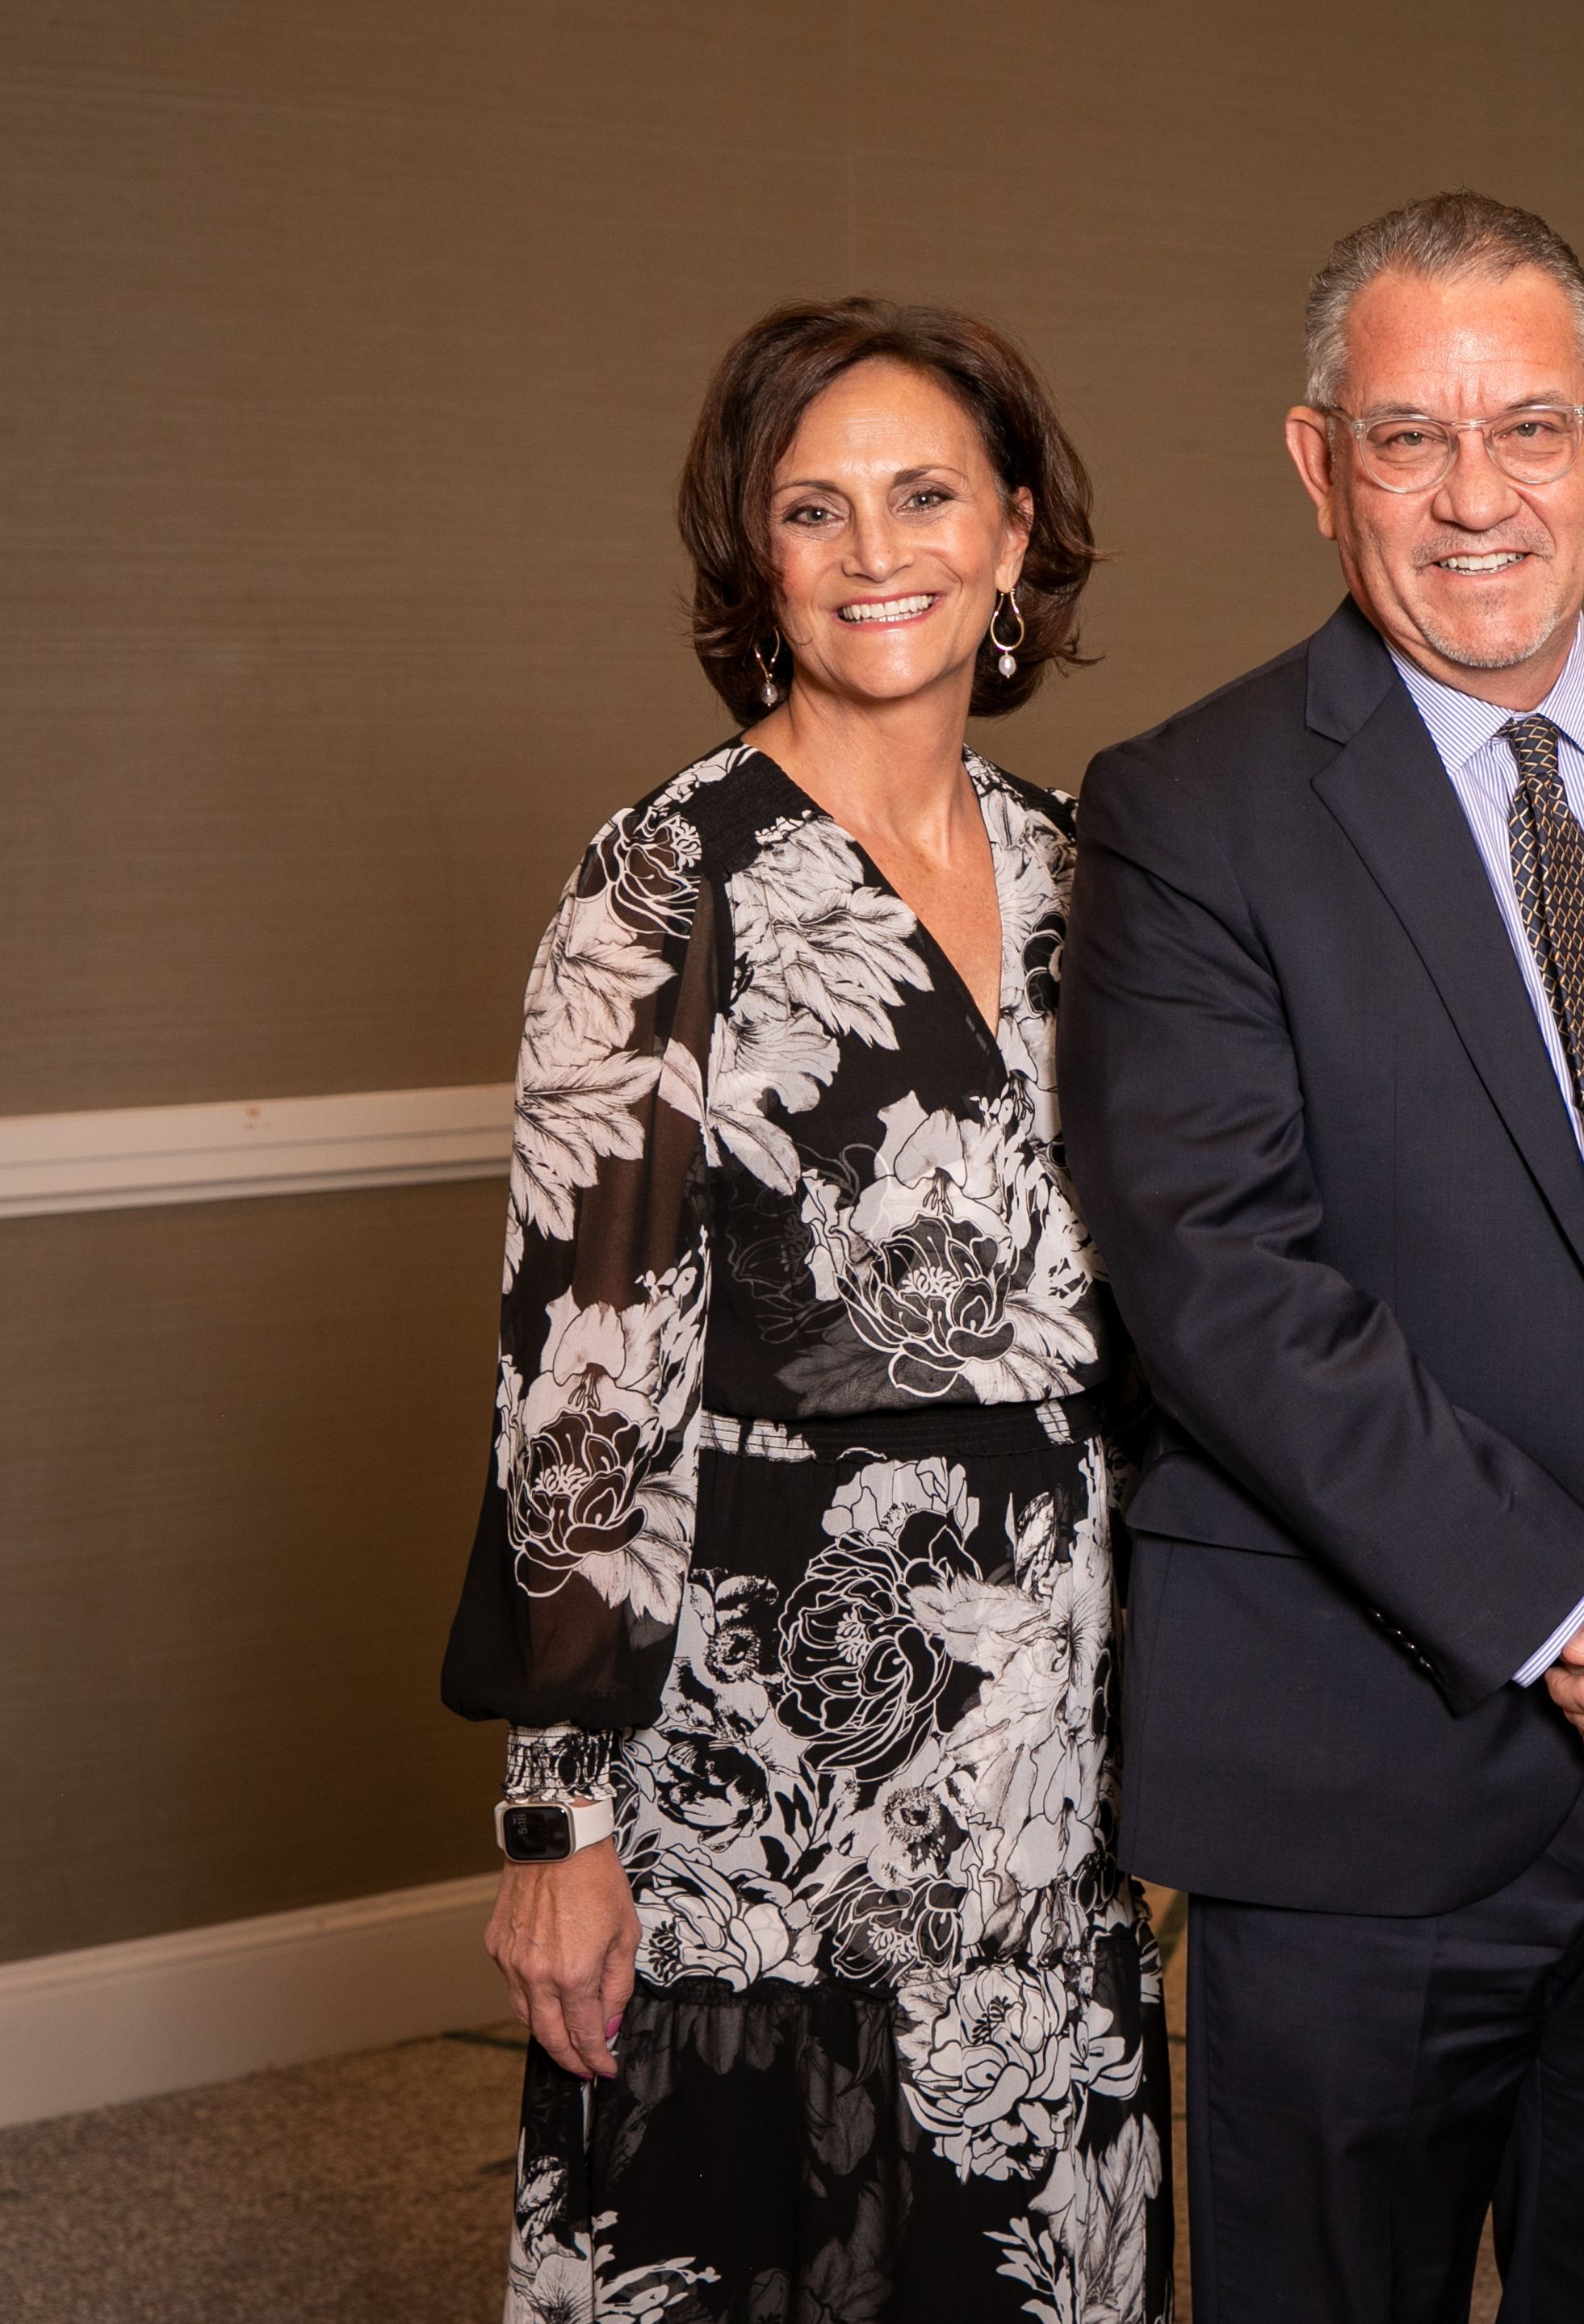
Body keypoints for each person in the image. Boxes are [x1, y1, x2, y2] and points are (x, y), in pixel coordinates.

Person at [1055, 192, 1584, 2324]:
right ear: (1313, 459)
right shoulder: (1188, 806)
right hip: (1368, 1777)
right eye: (1405, 437)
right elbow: (1226, 1285)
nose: (1471, 495)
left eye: (1525, 429)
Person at [441, 299, 1169, 2322]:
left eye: (926, 495)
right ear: (753, 556)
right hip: (757, 1785)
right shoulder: (661, 888)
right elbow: (580, 1373)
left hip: (1042, 1785)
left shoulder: (1090, 879)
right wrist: (554, 1816)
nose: (878, 553)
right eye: (815, 509)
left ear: (1016, 537)